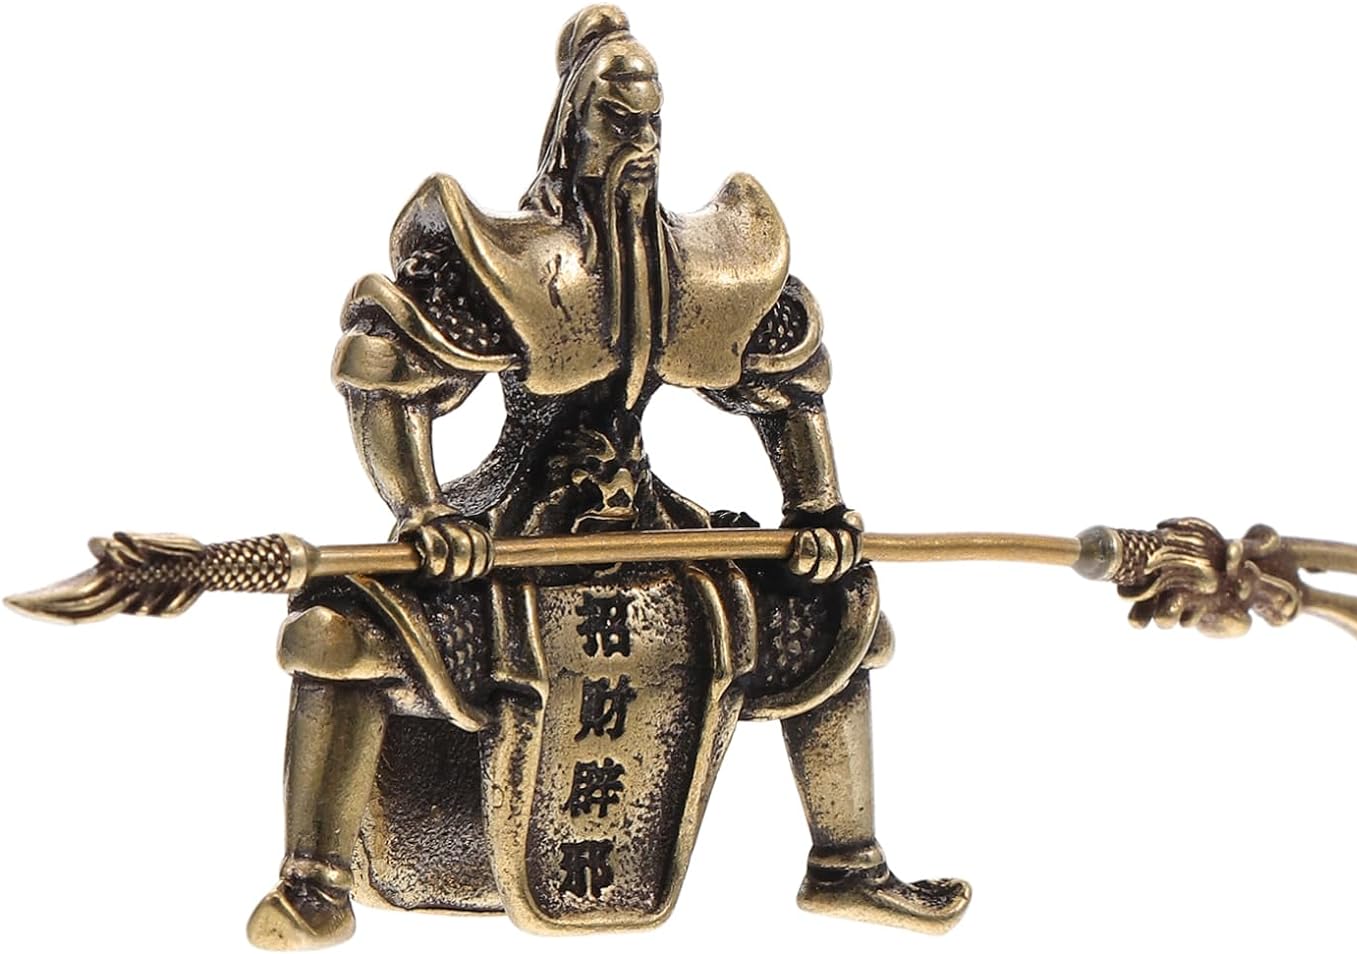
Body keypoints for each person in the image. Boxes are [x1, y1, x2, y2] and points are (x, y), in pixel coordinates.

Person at [246, 6, 969, 948]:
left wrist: (817, 507)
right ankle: (313, 885)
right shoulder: (516, 261)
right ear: (571, 129)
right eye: (618, 120)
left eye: (653, 122)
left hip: (654, 533)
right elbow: (382, 372)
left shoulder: (697, 265)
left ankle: (847, 863)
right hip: (509, 536)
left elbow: (787, 381)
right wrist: (423, 511)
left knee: (840, 620)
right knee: (334, 632)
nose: (642, 143)